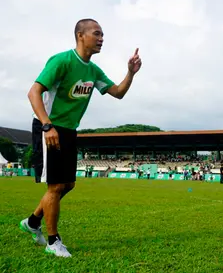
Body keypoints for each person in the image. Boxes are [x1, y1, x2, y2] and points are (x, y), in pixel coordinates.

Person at [19, 18, 142, 258]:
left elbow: (117, 93)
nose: (101, 39)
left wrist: (130, 73)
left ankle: (33, 221)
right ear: (80, 36)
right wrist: (47, 126)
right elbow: (34, 91)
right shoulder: (62, 61)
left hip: (69, 130)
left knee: (68, 184)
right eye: (97, 34)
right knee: (55, 186)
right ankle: (53, 242)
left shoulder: (93, 71)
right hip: (49, 126)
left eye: (103, 35)